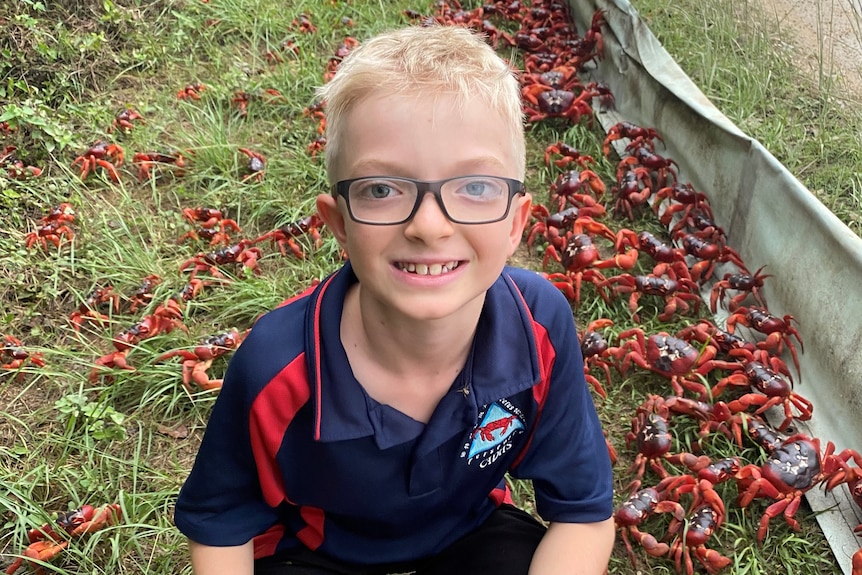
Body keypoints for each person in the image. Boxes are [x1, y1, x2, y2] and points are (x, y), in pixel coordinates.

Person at [174, 24, 615, 575]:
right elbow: (220, 523)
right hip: (317, 555)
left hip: (467, 537)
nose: (429, 227)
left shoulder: (540, 323)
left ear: (515, 223)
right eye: (382, 189)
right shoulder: (277, 365)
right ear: (337, 225)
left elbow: (584, 513)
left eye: (475, 186)